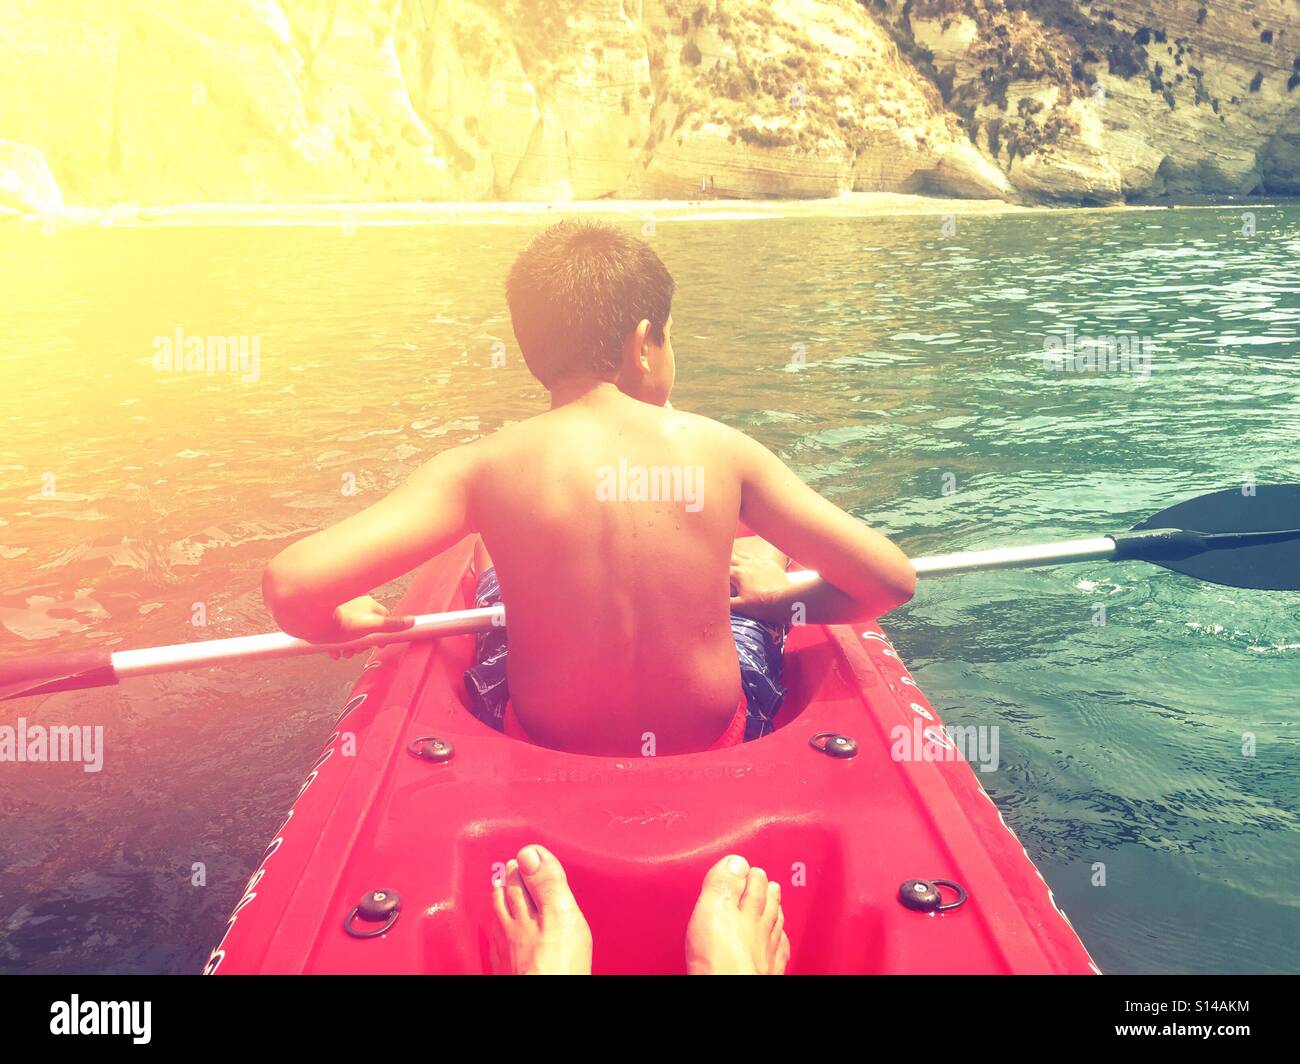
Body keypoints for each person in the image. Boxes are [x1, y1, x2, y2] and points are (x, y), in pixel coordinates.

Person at [262, 220, 914, 757]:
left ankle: (501, 557)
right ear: (644, 344)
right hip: (715, 739)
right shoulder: (723, 450)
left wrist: (340, 621)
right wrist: (774, 603)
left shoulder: (481, 466)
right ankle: (760, 568)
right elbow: (887, 583)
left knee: (494, 552)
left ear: (531, 350)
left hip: (542, 739)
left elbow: (293, 587)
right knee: (755, 575)